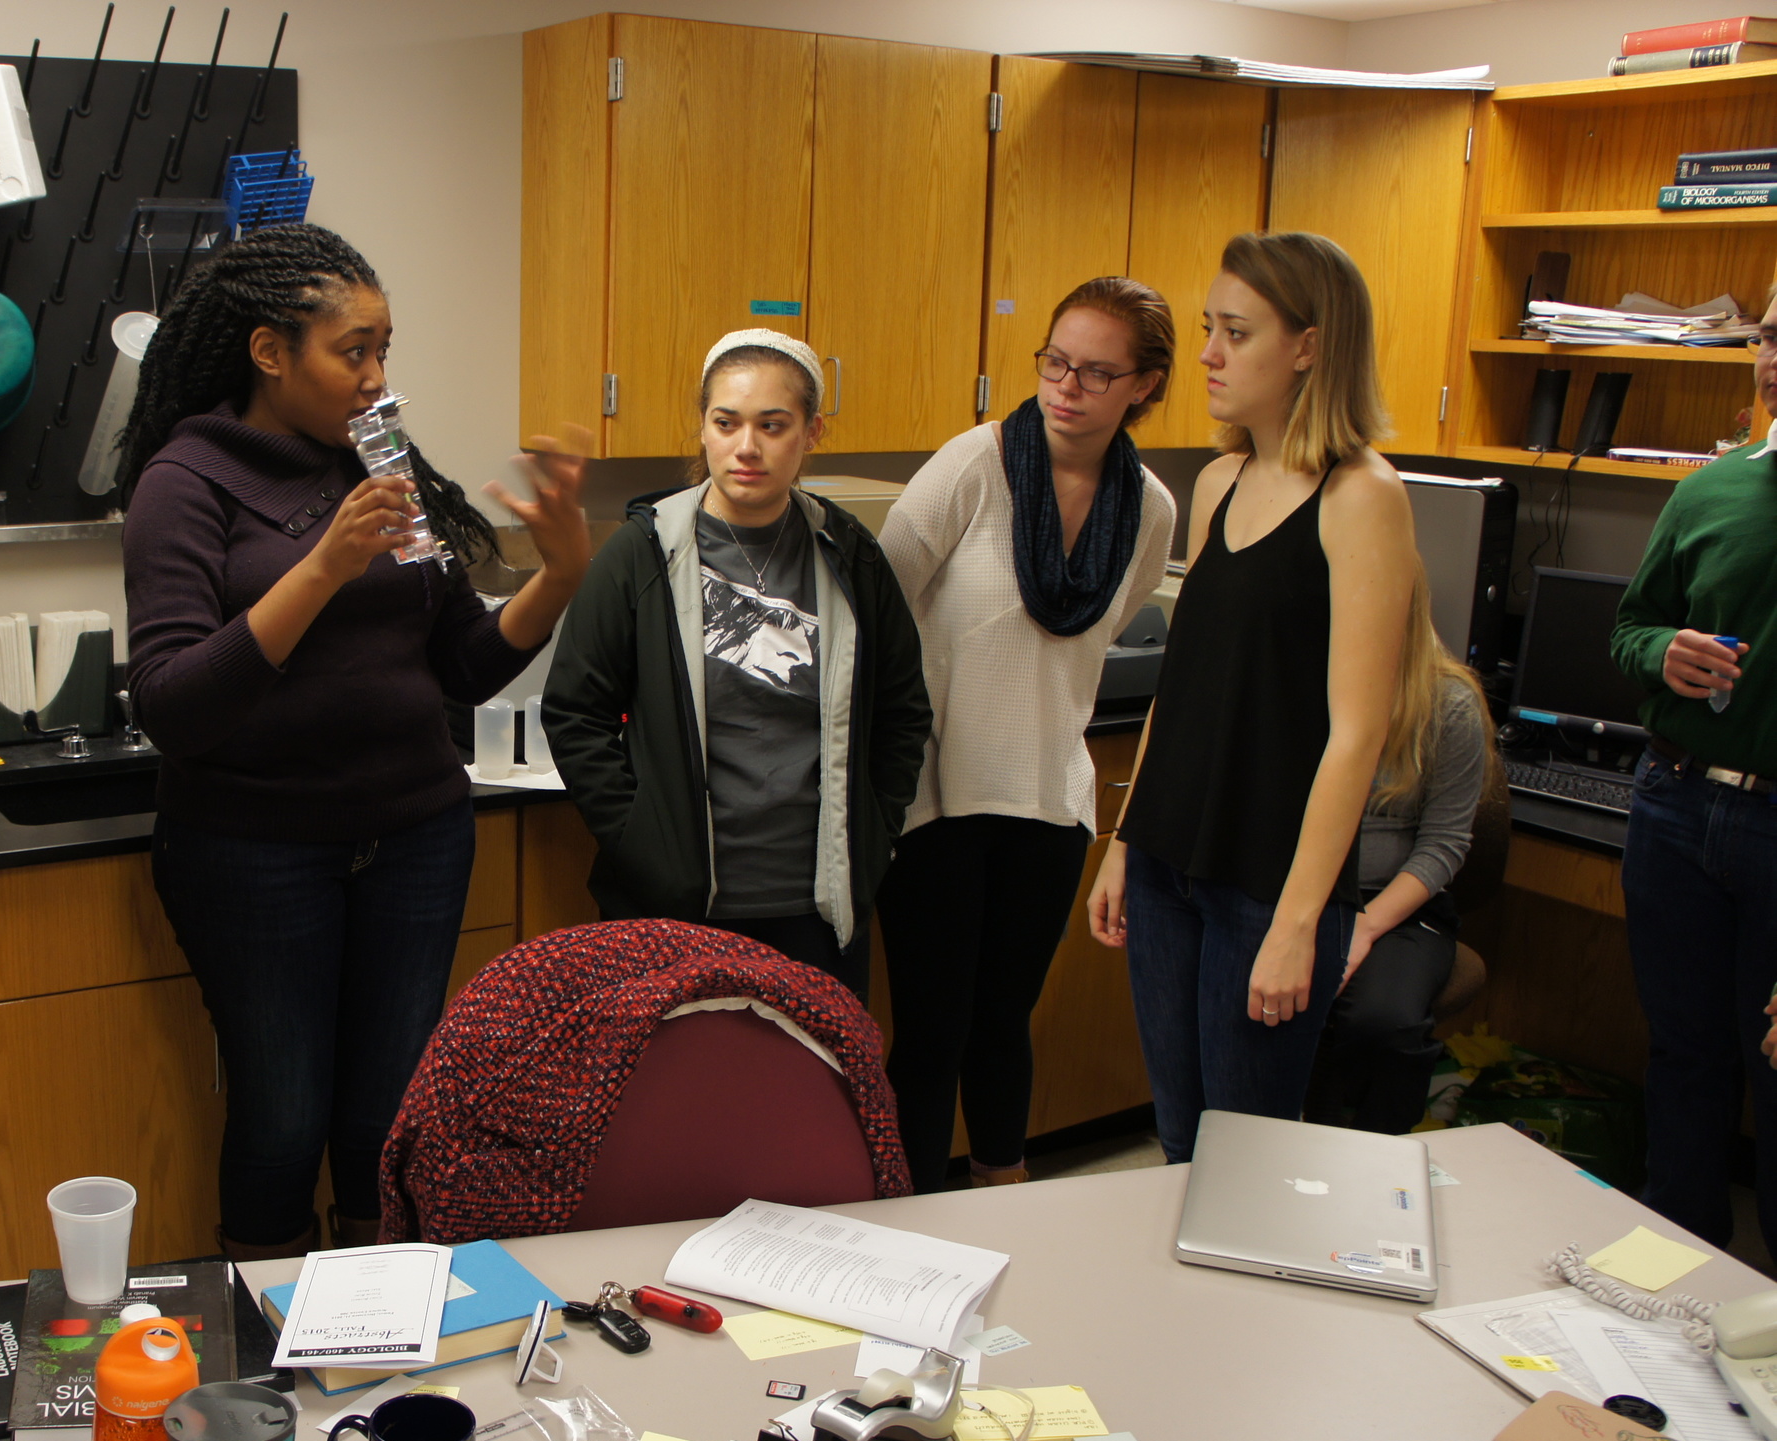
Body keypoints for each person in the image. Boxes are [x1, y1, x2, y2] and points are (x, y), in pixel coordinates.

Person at [113, 223, 592, 1261]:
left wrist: (558, 576)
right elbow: (173, 704)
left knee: (390, 1114)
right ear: (270, 351)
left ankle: (381, 1317)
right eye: (353, 350)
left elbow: (460, 662)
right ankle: (272, 1324)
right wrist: (323, 566)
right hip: (254, 851)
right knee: (283, 1117)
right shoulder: (184, 482)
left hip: (416, 836)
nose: (378, 378)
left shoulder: (379, 456)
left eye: (384, 349)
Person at [1088, 231, 1415, 1164]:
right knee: (1180, 1142)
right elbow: (1184, 686)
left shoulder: (1362, 497)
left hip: (1268, 883)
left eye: (1236, 333)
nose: (1208, 354)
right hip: (1168, 861)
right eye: (1210, 329)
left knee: (1249, 1162)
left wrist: (1300, 922)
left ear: (1308, 346)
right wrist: (1126, 841)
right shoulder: (1219, 481)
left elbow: (1356, 734)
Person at [878, 278, 1178, 1189]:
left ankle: (1003, 1206)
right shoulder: (973, 466)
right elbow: (876, 607)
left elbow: (1101, 629)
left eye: (1097, 373)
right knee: (932, 1033)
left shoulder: (1151, 509)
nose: (1066, 387)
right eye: (1056, 361)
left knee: (1004, 1024)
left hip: (1048, 800)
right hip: (936, 795)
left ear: (1145, 386)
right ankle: (910, 1223)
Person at [544, 330, 930, 997]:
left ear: (811, 433)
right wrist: (642, 843)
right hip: (677, 907)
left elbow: (903, 710)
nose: (746, 447)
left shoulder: (851, 555)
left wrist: (874, 834)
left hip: (817, 908)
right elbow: (575, 712)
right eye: (726, 423)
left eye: (772, 426)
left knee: (813, 1066)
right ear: (704, 427)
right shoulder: (642, 554)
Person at [1608, 284, 1777, 1255]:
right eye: (1769, 338)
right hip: (1673, 805)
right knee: (1682, 1056)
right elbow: (1629, 627)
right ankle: (1676, 1271)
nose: (1773, 361)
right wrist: (1660, 652)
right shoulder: (1707, 491)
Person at [1309, 577, 1501, 1136]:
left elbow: (1445, 844)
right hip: (1299, 890)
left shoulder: (1448, 703)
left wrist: (1364, 928)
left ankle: (1370, 1159)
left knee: (1384, 1025)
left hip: (1399, 907)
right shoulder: (1296, 685)